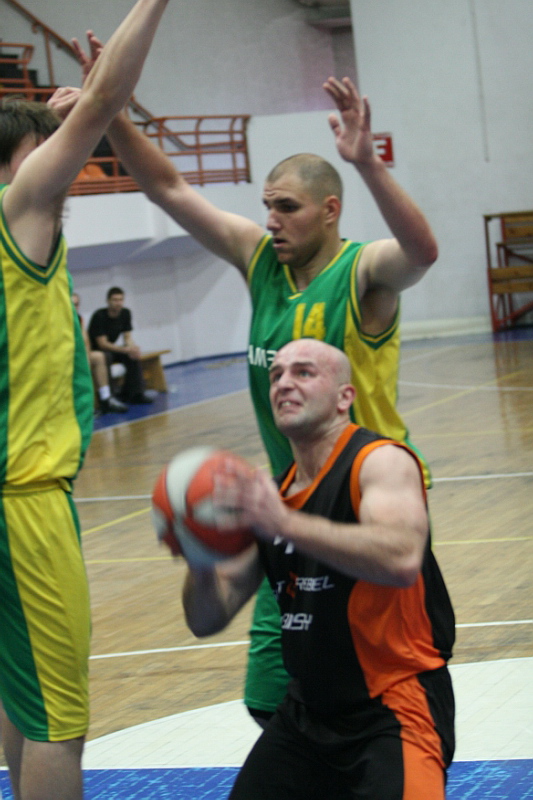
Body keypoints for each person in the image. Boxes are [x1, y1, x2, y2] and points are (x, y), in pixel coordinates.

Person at [51, 61, 439, 722]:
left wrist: (368, 164)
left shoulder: (362, 272)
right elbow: (169, 187)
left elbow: (421, 252)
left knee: (375, 692)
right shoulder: (258, 259)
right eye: (267, 206)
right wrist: (110, 111)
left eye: (287, 208)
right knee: (268, 694)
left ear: (330, 211)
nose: (271, 220)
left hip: (367, 503)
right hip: (285, 505)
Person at [0, 2, 170, 798]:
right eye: (45, 152)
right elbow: (102, 103)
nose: (64, 161)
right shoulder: (17, 212)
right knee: (58, 720)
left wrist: (73, 108)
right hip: (22, 502)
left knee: (18, 695)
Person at [182, 339, 455, 800]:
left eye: (304, 372)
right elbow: (206, 619)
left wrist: (285, 524)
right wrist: (200, 557)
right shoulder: (273, 497)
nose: (283, 383)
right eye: (276, 375)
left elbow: (402, 559)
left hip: (395, 705)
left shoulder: (380, 461)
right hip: (307, 712)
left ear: (345, 397)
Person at [88, 286, 154, 405]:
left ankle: (135, 393)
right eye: (115, 300)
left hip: (112, 348)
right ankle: (110, 396)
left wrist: (132, 348)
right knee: (106, 357)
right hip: (97, 350)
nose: (118, 303)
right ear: (108, 301)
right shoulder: (99, 316)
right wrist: (125, 349)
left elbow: (127, 337)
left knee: (132, 356)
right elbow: (102, 344)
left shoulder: (125, 313)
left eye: (121, 300)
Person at [71, 292, 128, 414]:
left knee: (99, 357)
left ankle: (105, 398)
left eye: (77, 304)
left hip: (79, 356)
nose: (75, 307)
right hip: (66, 357)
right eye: (72, 304)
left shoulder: (79, 318)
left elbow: (85, 341)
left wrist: (86, 358)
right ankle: (82, 405)